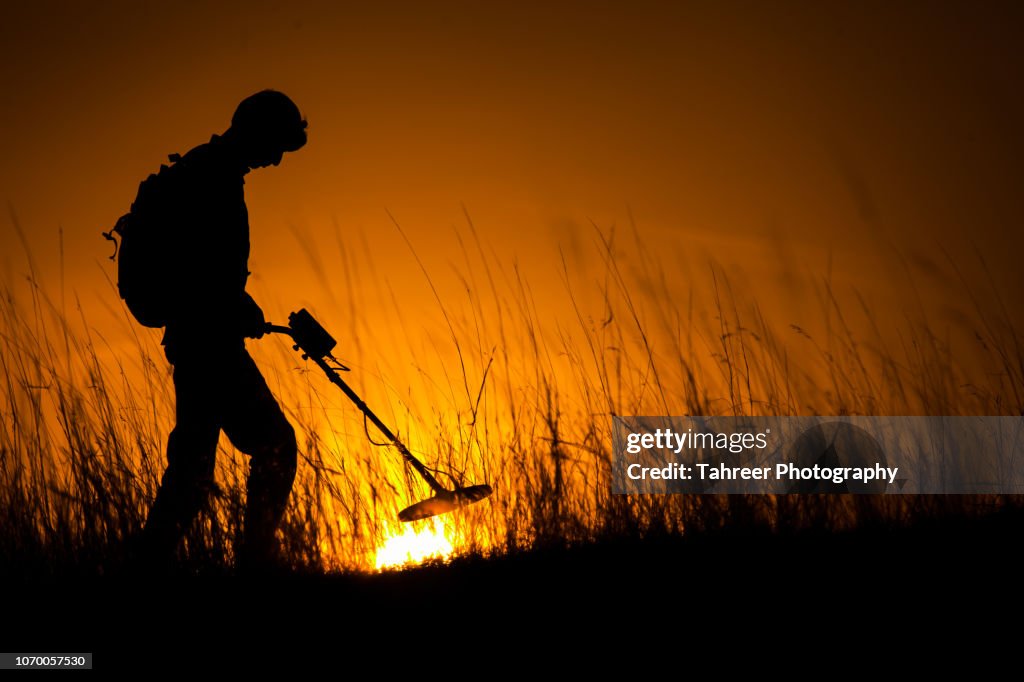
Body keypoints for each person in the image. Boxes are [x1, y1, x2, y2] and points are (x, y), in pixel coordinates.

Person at [139, 90, 307, 571]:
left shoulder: (210, 171)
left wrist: (241, 306)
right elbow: (203, 270)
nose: (276, 160)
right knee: (274, 445)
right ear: (256, 132)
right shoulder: (213, 178)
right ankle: (254, 565)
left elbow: (210, 270)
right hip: (208, 343)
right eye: (276, 145)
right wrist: (234, 307)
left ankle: (141, 571)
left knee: (190, 476)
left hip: (201, 338)